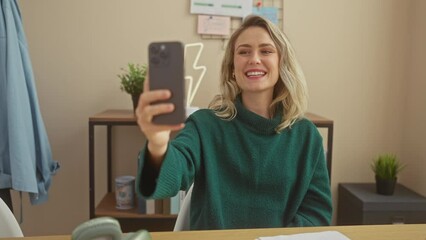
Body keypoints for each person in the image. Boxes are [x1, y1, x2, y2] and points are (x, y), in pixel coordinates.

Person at [135, 15, 332, 230]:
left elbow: (317, 214)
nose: (254, 59)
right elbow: (164, 183)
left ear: (281, 63)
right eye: (243, 52)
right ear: (232, 67)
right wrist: (157, 144)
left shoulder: (307, 136)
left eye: (266, 51)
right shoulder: (204, 125)